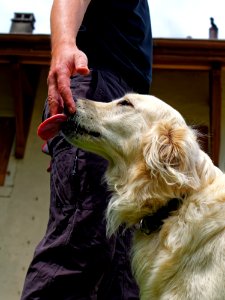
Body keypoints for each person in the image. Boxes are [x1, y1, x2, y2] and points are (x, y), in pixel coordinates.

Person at [20, 0, 152, 299]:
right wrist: (64, 45)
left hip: (123, 119)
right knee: (80, 247)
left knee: (121, 274)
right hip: (99, 97)